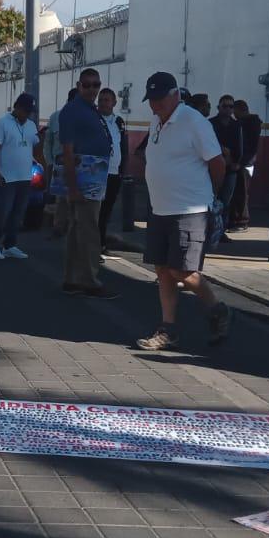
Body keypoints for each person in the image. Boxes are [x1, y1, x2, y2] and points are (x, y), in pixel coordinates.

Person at [136, 71, 233, 351]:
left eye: (160, 99)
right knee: (163, 270)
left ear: (175, 95)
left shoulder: (194, 122)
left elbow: (218, 164)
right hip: (160, 208)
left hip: (189, 209)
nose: (155, 105)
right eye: (151, 100)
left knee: (181, 270)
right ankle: (167, 328)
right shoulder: (156, 121)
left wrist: (210, 196)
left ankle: (218, 309)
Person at [56, 67, 116, 298]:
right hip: (83, 180)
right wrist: (72, 187)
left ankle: (72, 279)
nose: (92, 89)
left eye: (96, 85)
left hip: (93, 177)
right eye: (87, 85)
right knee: (89, 230)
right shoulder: (72, 111)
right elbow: (68, 151)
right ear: (79, 86)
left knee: (79, 230)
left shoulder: (91, 110)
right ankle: (89, 280)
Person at [0, 91, 41, 260]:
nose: (27, 115)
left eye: (29, 112)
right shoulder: (3, 123)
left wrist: (45, 165)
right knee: (3, 211)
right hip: (6, 177)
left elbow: (36, 149)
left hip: (24, 176)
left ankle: (10, 245)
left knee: (18, 213)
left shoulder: (31, 125)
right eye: (25, 111)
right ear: (17, 107)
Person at [42, 88, 76, 238]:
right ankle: (58, 227)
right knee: (60, 198)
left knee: (77, 198)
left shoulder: (87, 118)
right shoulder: (55, 117)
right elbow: (47, 143)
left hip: (79, 165)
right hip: (59, 165)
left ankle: (75, 229)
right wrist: (49, 163)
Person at [97, 86, 129, 251]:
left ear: (114, 102)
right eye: (100, 100)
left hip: (114, 173)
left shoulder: (118, 122)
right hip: (96, 173)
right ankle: (93, 244)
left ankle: (101, 243)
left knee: (106, 210)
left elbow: (123, 146)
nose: (103, 103)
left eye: (106, 100)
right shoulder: (94, 118)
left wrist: (123, 169)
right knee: (95, 210)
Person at [211, 94, 244, 228]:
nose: (228, 109)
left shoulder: (237, 125)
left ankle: (221, 230)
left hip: (231, 168)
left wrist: (237, 162)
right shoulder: (211, 123)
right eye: (225, 106)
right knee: (212, 198)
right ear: (219, 107)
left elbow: (240, 145)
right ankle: (209, 228)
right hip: (213, 167)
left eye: (231, 106)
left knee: (226, 200)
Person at [231, 99, 261, 230]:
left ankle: (241, 220)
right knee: (242, 191)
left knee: (241, 192)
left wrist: (240, 162)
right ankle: (240, 219)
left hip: (245, 162)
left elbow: (248, 146)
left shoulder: (245, 125)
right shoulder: (252, 124)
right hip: (247, 162)